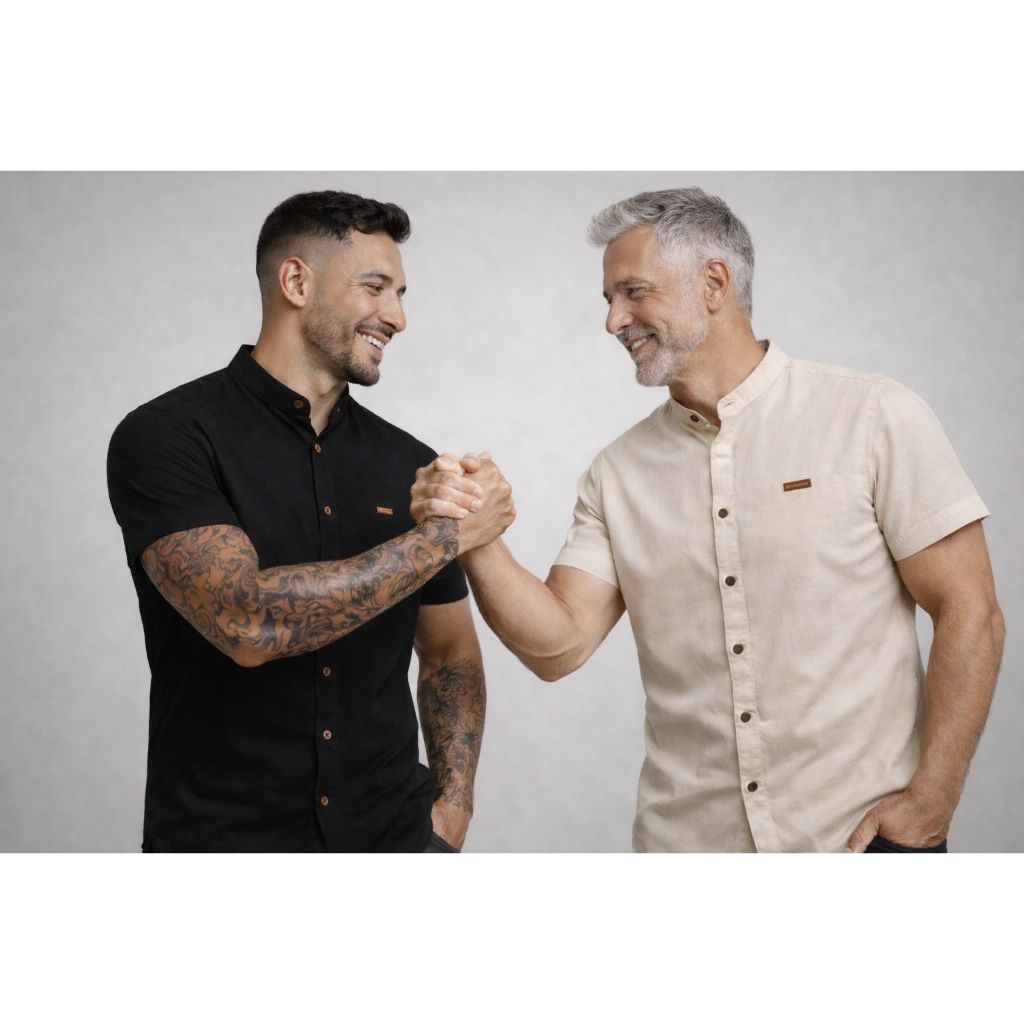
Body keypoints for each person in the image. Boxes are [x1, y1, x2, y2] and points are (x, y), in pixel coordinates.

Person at [411, 187, 1005, 853]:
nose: (613, 321)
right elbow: (559, 645)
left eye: (633, 293)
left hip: (860, 844)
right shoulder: (618, 473)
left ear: (714, 284)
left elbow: (970, 610)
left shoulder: (871, 417)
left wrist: (932, 801)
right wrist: (474, 531)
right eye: (609, 299)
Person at [107, 190, 514, 852]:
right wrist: (444, 540)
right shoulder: (168, 437)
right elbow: (247, 623)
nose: (398, 317)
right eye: (375, 288)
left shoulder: (409, 463)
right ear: (296, 282)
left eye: (400, 294)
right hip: (222, 846)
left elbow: (449, 654)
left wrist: (453, 808)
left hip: (395, 840)